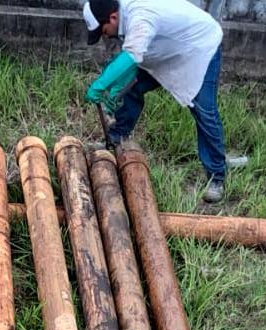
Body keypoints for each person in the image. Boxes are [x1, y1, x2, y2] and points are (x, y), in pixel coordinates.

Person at [83, 0, 234, 203]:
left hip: (198, 47)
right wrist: (117, 86)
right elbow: (132, 55)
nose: (105, 36)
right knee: (131, 87)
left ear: (113, 17)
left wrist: (100, 84)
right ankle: (116, 138)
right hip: (166, 49)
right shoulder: (123, 14)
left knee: (203, 110)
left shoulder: (140, 16)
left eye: (103, 31)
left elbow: (131, 56)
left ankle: (216, 175)